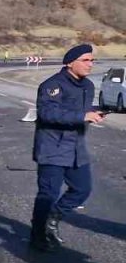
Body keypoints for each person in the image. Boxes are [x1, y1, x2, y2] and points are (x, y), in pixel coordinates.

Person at [28, 43, 104, 252]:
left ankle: (53, 219)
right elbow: (47, 114)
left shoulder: (87, 86)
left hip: (76, 149)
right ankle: (37, 236)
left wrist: (98, 111)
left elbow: (84, 110)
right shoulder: (52, 85)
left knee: (82, 189)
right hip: (52, 148)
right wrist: (82, 116)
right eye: (85, 60)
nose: (90, 64)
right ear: (70, 63)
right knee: (48, 194)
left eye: (92, 60)